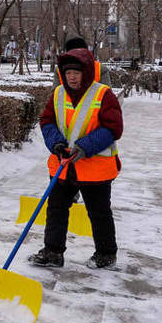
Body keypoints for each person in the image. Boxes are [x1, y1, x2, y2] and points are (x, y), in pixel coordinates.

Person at [30, 48, 124, 270]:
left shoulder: (103, 94)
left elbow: (113, 128)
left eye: (76, 72)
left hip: (95, 168)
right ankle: (53, 252)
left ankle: (106, 254)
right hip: (63, 165)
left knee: (99, 212)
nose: (71, 76)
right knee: (56, 209)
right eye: (68, 72)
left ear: (87, 72)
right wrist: (57, 144)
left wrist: (83, 147)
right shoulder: (58, 93)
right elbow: (47, 122)